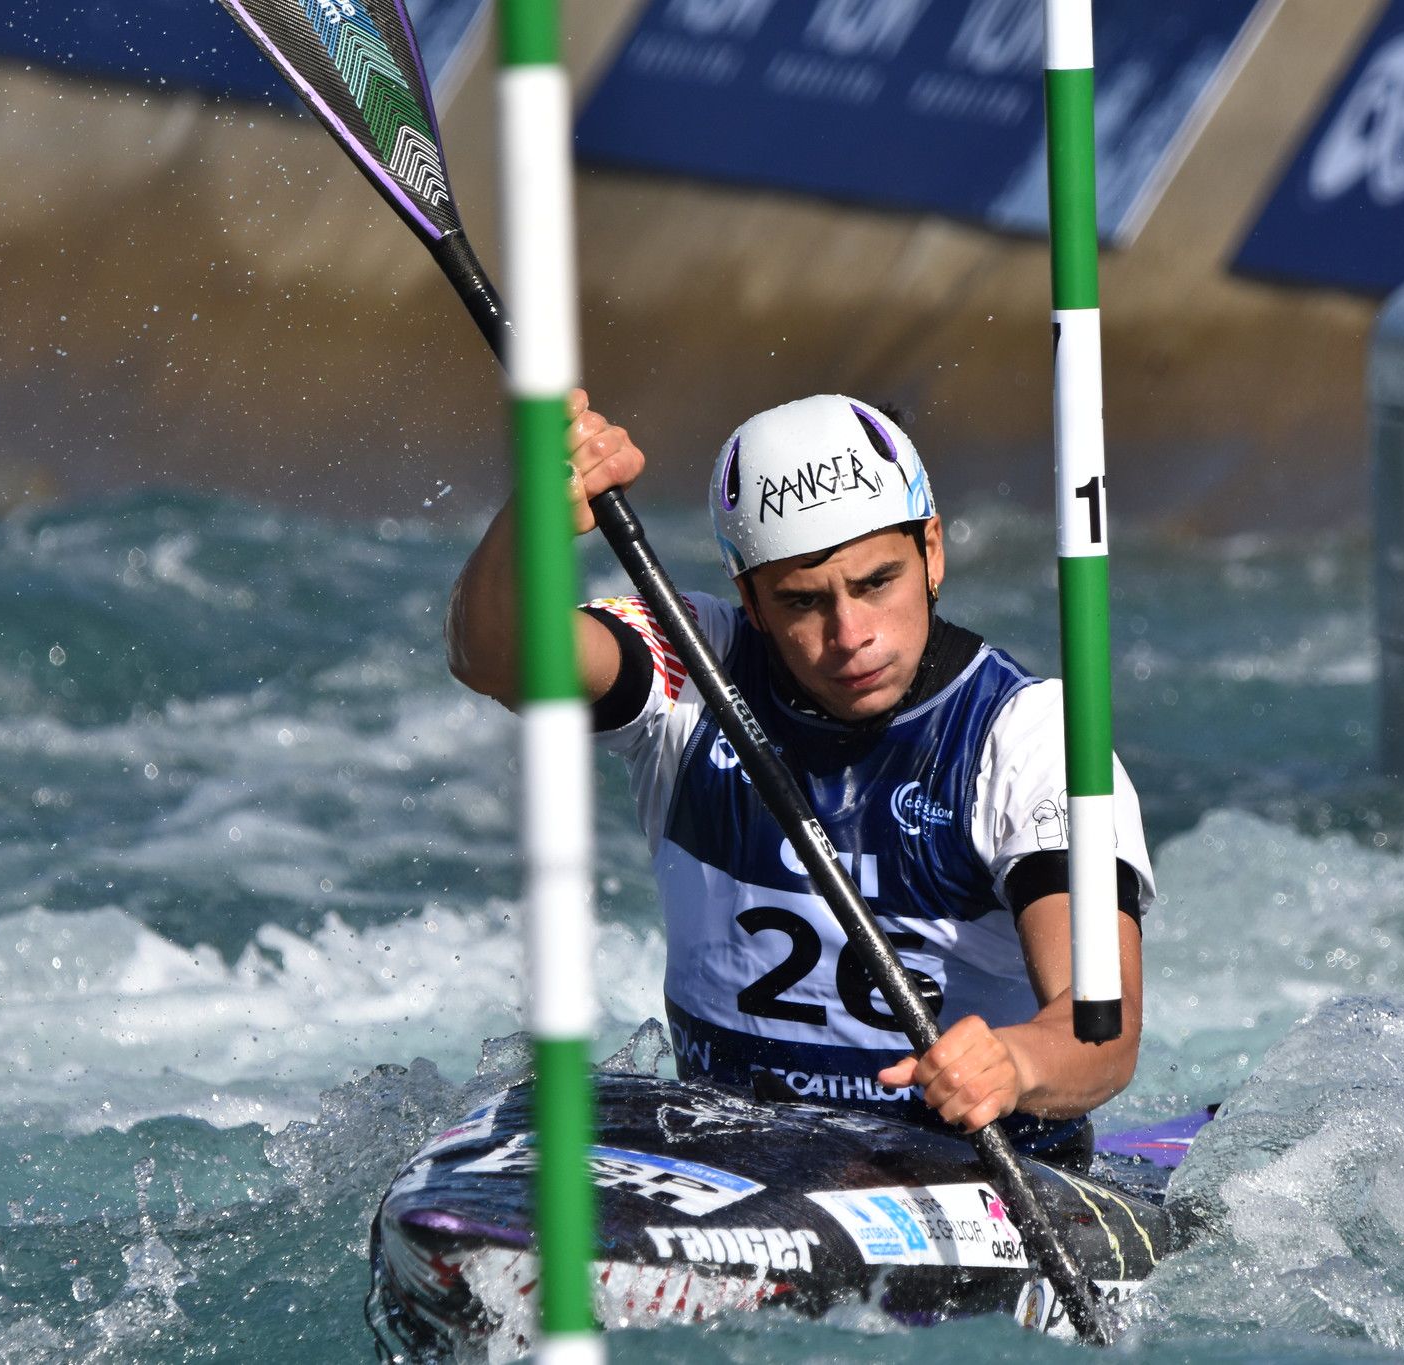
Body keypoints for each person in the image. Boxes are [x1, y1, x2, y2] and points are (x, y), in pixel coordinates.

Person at [448, 390, 1154, 1165]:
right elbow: (491, 653)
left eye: (877, 582)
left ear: (932, 552)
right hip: (736, 1157)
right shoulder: (694, 665)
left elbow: (1101, 1032)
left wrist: (1015, 1062)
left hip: (978, 1171)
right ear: (749, 598)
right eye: (803, 602)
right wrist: (533, 521)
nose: (851, 635)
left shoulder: (1029, 738)